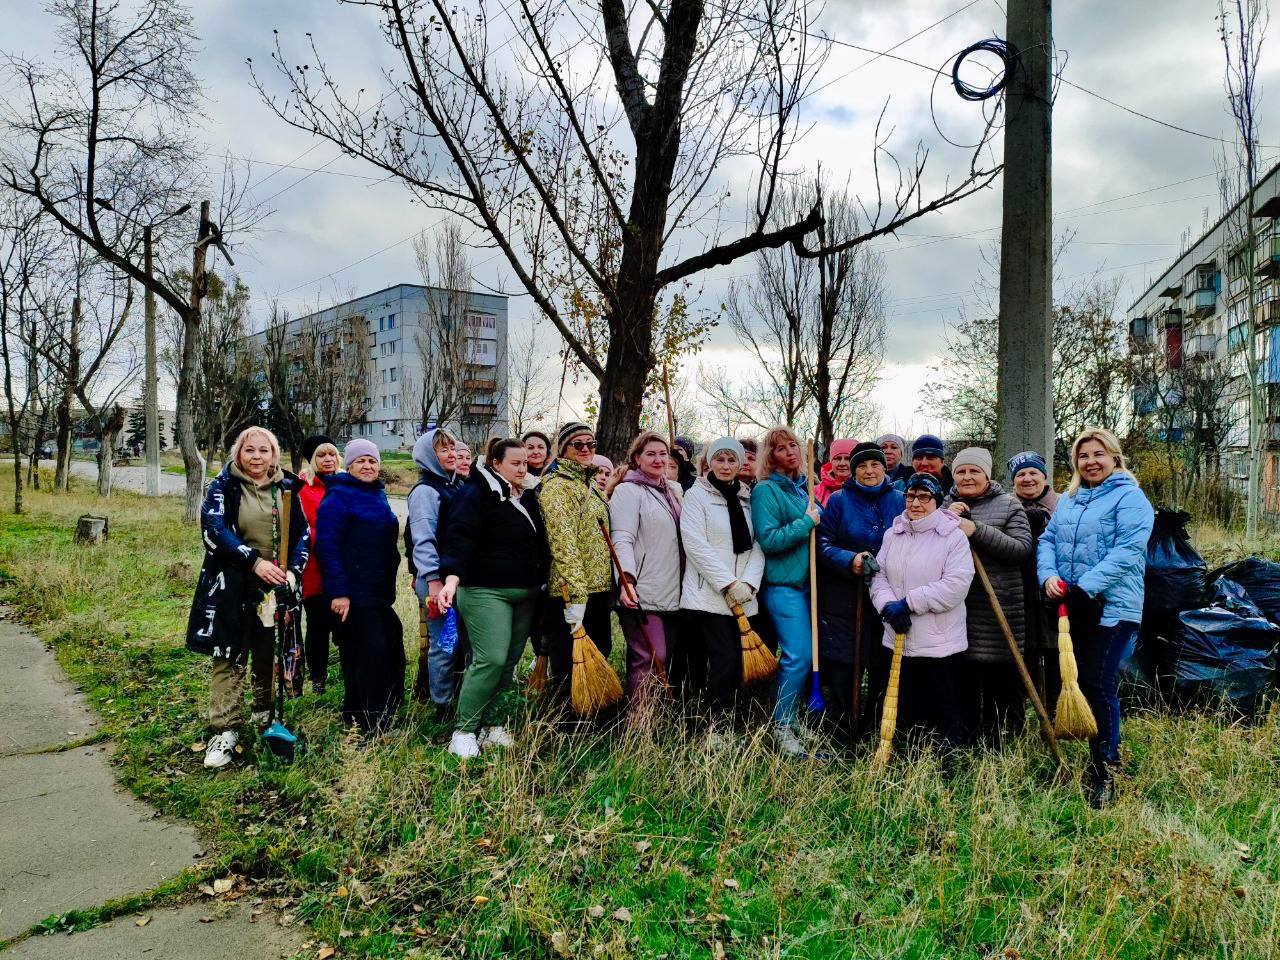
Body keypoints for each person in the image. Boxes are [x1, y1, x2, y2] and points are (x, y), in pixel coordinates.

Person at [1038, 428, 1154, 808]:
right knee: (1082, 682)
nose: (1090, 461)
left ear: (1114, 458)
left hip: (1113, 607)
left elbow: (1128, 550)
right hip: (1074, 604)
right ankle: (1097, 753)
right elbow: (1047, 541)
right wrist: (1049, 576)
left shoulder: (1129, 497)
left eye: (1098, 454)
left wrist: (1085, 586)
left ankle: (1106, 769)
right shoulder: (1070, 500)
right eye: (1083, 456)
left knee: (1099, 683)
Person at [187, 426, 310, 770]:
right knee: (230, 653)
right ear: (238, 453)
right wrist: (253, 562)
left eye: (264, 451)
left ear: (274, 454)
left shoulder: (287, 489)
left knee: (268, 651)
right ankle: (224, 729)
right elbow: (215, 530)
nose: (257, 457)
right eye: (249, 450)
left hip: (276, 584)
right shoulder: (223, 486)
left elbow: (302, 533)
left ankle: (263, 711)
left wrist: (292, 572)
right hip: (232, 583)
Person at [436, 439, 551, 757]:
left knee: (508, 665)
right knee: (491, 660)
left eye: (525, 463)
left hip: (525, 594)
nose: (522, 468)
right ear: (495, 463)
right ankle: (464, 731)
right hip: (486, 591)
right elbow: (459, 537)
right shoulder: (475, 494)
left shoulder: (527, 495)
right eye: (515, 462)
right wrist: (451, 579)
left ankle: (493, 726)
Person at [869, 473, 974, 751]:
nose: (915, 503)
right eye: (910, 496)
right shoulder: (893, 534)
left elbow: (956, 585)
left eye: (924, 497)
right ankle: (909, 758)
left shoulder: (952, 537)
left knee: (943, 705)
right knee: (906, 706)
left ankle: (947, 758)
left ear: (937, 501)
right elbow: (878, 576)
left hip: (939, 644)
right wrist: (888, 606)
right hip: (898, 638)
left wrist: (909, 603)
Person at [944, 447, 1033, 748]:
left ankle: (1002, 744)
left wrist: (976, 529)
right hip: (960, 609)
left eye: (974, 471)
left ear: (987, 475)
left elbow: (1021, 549)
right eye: (961, 471)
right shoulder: (944, 504)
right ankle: (968, 742)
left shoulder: (1008, 505)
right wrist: (945, 518)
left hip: (999, 607)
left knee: (1001, 681)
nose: (967, 477)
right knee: (965, 680)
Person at [816, 442, 904, 742]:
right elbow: (823, 543)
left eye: (875, 465)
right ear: (853, 472)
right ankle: (842, 726)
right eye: (862, 466)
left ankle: (875, 726)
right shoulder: (839, 501)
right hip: (845, 593)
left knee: (882, 658)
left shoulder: (901, 500)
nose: (869, 471)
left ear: (884, 467)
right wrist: (850, 559)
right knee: (844, 660)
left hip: (889, 592)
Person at [314, 440, 403, 733]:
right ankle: (372, 721)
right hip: (353, 593)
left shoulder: (376, 494)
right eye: (360, 461)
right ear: (348, 466)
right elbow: (327, 546)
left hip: (378, 592)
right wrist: (339, 592)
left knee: (383, 646)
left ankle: (359, 713)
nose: (367, 466)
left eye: (372, 461)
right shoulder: (338, 497)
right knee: (370, 653)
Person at [680, 437, 765, 724]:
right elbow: (695, 543)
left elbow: (757, 544)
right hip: (709, 595)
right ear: (709, 462)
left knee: (740, 658)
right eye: (720, 459)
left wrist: (749, 584)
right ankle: (716, 721)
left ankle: (736, 716)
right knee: (724, 657)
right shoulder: (696, 495)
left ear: (740, 464)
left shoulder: (747, 498)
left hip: (744, 595)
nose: (726, 466)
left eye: (732, 460)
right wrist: (728, 584)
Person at [751, 426, 821, 757]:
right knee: (798, 657)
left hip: (808, 586)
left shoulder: (802, 490)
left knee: (805, 658)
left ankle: (791, 719)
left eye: (794, 445)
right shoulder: (765, 491)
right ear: (770, 456)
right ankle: (780, 726)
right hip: (782, 586)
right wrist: (806, 523)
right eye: (781, 448)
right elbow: (770, 540)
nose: (791, 451)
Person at [607, 432, 684, 713]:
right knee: (650, 657)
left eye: (663, 453)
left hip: (674, 590)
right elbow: (622, 538)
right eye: (650, 454)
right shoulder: (629, 491)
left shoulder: (674, 491)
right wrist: (626, 580)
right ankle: (636, 726)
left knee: (665, 659)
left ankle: (655, 717)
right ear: (637, 458)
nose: (658, 459)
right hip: (642, 590)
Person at [540, 422, 614, 700]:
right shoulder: (558, 487)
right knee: (570, 660)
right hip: (571, 593)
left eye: (591, 444)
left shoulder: (591, 484)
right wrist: (577, 594)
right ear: (563, 450)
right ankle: (567, 721)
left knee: (600, 650)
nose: (586, 449)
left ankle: (594, 711)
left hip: (598, 587)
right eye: (578, 444)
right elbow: (564, 543)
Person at [407, 427, 462, 716]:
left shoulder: (453, 485)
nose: (451, 453)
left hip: (453, 580)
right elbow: (423, 539)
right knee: (445, 642)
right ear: (429, 456)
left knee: (457, 641)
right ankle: (442, 704)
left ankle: (455, 693)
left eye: (453, 448)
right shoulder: (426, 491)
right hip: (437, 583)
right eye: (443, 450)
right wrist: (433, 581)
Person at [1008, 450, 1061, 705]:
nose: (1027, 479)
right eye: (1020, 474)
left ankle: (1057, 712)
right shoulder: (1006, 506)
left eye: (1033, 472)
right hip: (1019, 590)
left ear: (1044, 476)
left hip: (1054, 589)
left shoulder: (1064, 504)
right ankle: (1022, 710)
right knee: (1024, 650)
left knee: (1057, 652)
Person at [298, 434, 341, 695]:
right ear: (312, 460)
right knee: (317, 624)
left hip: (342, 566)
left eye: (331, 454)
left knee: (344, 620)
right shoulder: (303, 487)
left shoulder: (346, 483)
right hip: (314, 567)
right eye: (321, 455)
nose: (328, 459)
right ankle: (317, 677)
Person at [815, 438, 856, 508]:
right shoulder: (815, 492)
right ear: (831, 461)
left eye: (847, 458)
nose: (842, 463)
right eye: (838, 458)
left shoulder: (865, 490)